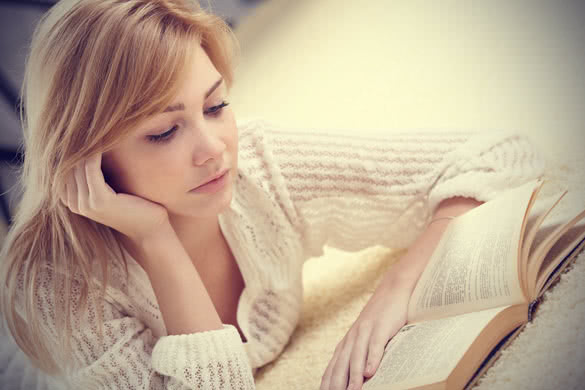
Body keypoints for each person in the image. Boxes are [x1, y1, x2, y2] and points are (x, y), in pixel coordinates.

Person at [0, 0, 547, 389]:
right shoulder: (59, 289)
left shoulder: (258, 167)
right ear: (89, 156)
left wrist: (397, 288)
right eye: (164, 132)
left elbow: (501, 154)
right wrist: (156, 240)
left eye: (215, 106)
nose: (213, 149)